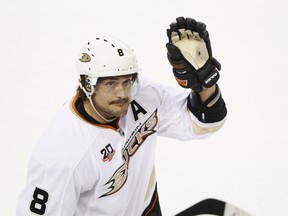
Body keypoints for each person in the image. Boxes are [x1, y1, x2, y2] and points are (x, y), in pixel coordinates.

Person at [16, 17, 227, 216]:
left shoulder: (142, 94)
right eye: (111, 84)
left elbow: (203, 123)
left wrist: (204, 82)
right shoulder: (61, 154)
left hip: (147, 209)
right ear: (88, 85)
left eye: (126, 81)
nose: (122, 93)